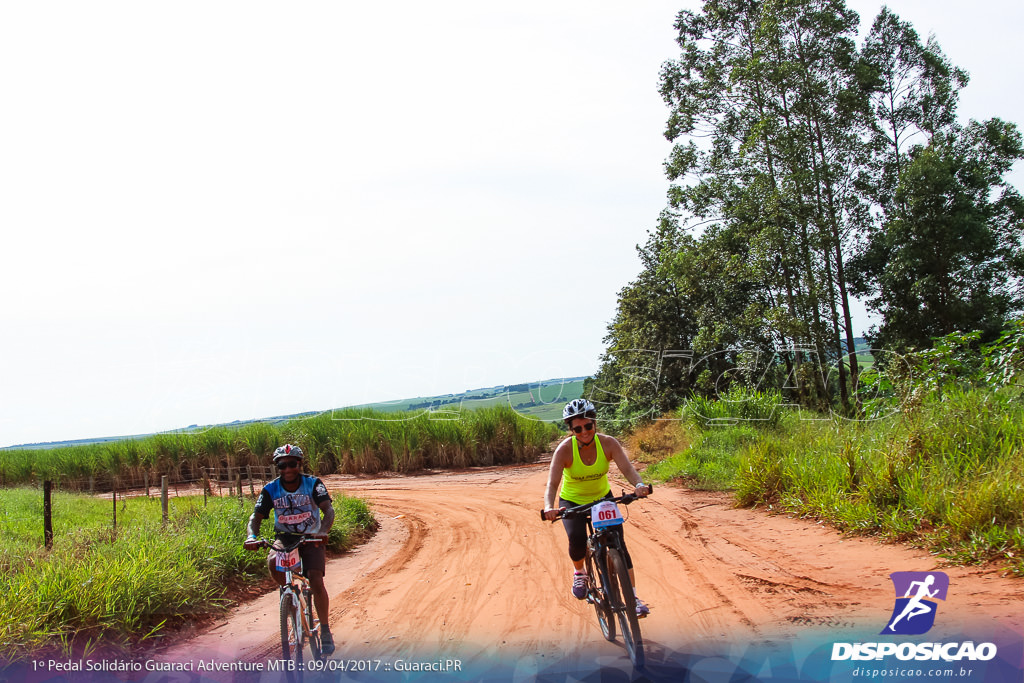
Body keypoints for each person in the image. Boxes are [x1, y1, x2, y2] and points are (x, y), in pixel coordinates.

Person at [543, 399, 652, 617]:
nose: (584, 432)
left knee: (619, 544)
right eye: (578, 428)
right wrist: (549, 506)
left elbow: (628, 470)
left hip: (603, 498)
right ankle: (580, 572)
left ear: (595, 423)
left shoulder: (609, 444)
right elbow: (552, 484)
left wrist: (638, 485)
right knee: (577, 540)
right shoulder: (565, 450)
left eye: (588, 426)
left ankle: (633, 597)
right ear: (571, 430)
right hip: (572, 501)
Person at [244, 444, 337, 655]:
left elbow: (328, 510)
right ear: (278, 467)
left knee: (315, 579)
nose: (288, 469)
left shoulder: (313, 484)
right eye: (282, 465)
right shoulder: (270, 489)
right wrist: (252, 536)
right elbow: (255, 517)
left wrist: (322, 531)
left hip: (311, 537)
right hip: (285, 539)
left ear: (299, 464)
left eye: (292, 464)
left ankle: (324, 629)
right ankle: (289, 596)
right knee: (272, 561)